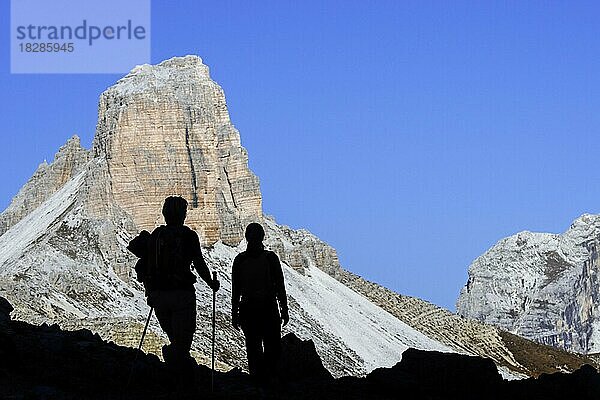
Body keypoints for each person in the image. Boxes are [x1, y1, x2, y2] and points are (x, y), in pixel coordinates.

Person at [127, 196, 220, 388]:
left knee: (174, 338)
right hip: (182, 295)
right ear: (182, 214)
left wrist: (150, 291)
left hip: (160, 296)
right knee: (183, 341)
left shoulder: (156, 236)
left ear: (165, 213)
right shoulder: (188, 236)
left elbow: (147, 264)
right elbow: (199, 263)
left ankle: (175, 373)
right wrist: (211, 282)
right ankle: (181, 378)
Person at [231, 223, 289, 384]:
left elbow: (236, 290)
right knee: (272, 347)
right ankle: (271, 380)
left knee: (253, 348)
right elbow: (280, 286)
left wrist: (234, 314)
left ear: (247, 237)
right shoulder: (270, 258)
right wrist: (284, 309)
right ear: (262, 237)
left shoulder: (240, 260)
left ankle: (258, 381)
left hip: (248, 310)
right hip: (268, 309)